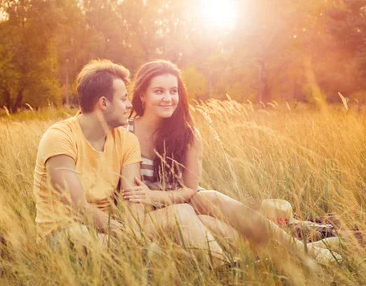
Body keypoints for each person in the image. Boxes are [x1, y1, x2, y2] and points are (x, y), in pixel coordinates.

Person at [122, 60, 340, 264]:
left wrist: (154, 195)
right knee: (210, 224)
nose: (168, 98)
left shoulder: (188, 135)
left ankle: (302, 252)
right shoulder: (124, 132)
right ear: (142, 94)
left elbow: (189, 189)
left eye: (173, 91)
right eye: (159, 91)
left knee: (210, 198)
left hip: (183, 204)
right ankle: (305, 252)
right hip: (150, 216)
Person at [33, 59, 226, 265]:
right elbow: (77, 206)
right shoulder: (59, 137)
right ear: (104, 103)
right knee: (149, 255)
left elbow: (133, 204)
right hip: (65, 233)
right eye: (124, 99)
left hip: (112, 228)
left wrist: (134, 231)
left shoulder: (126, 140)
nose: (129, 105)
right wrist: (124, 232)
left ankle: (225, 269)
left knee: (184, 213)